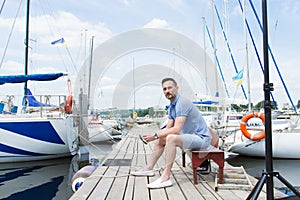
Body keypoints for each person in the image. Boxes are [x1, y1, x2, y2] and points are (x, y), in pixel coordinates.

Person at [131, 77, 212, 189]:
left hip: (201, 139)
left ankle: (165, 178)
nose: (167, 91)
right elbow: (168, 127)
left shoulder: (182, 103)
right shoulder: (172, 107)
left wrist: (154, 136)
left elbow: (176, 129)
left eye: (170, 88)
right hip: (189, 137)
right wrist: (156, 136)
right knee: (162, 139)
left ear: (177, 88)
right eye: (164, 89)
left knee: (171, 139)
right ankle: (149, 169)